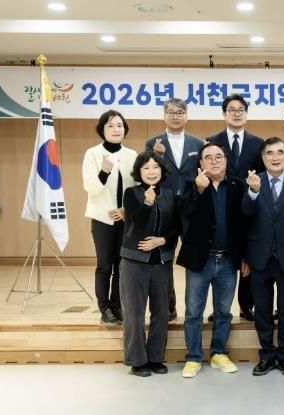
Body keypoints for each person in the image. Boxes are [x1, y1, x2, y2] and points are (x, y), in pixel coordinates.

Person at [176, 142, 248, 378]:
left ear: (226, 160)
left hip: (228, 260)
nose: (214, 161)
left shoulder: (238, 185)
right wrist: (198, 190)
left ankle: (218, 353)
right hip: (200, 260)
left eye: (219, 156)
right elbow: (183, 213)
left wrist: (244, 257)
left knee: (224, 311)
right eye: (208, 157)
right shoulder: (192, 185)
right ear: (201, 163)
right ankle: (193, 357)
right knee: (193, 312)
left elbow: (246, 224)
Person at [242, 137, 284, 376]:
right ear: (263, 158)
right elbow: (244, 217)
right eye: (269, 153)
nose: (275, 157)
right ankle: (267, 355)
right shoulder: (254, 181)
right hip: (259, 258)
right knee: (262, 310)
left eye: (280, 152)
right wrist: (252, 192)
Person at [206, 93, 264, 322]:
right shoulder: (212, 140)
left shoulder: (258, 143)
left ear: (246, 114)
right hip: (220, 204)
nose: (237, 114)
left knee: (247, 255)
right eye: (232, 110)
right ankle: (219, 308)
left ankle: (246, 305)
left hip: (249, 205)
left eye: (241, 110)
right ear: (224, 114)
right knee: (220, 258)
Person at [119, 151, 178, 376]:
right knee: (134, 313)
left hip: (162, 260)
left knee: (161, 312)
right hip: (134, 261)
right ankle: (137, 361)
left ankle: (155, 358)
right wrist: (147, 202)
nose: (151, 172)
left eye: (155, 167)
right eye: (146, 168)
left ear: (162, 171)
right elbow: (137, 222)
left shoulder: (171, 194)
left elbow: (177, 226)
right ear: (139, 172)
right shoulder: (131, 193)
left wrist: (162, 240)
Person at [145, 98, 204, 321]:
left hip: (191, 208)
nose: (175, 116)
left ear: (186, 116)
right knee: (163, 258)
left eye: (180, 112)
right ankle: (168, 308)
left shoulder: (198, 143)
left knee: (193, 257)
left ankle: (194, 309)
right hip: (164, 206)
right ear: (164, 116)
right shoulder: (152, 143)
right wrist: (157, 156)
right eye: (171, 112)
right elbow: (147, 173)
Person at [82, 110, 138, 325]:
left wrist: (126, 210)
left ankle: (117, 305)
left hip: (125, 219)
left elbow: (137, 188)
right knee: (104, 265)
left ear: (125, 130)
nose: (116, 129)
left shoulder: (131, 155)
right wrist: (104, 171)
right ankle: (104, 308)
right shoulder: (92, 154)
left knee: (122, 265)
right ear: (102, 130)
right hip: (102, 220)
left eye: (119, 125)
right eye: (110, 125)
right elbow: (91, 188)